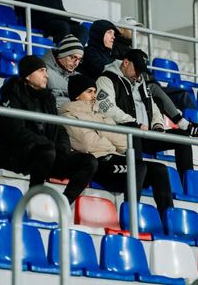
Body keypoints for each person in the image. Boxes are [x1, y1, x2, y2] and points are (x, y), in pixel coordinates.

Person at [61, 74, 174, 218]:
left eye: (95, 91)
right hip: (98, 163)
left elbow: (123, 142)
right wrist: (106, 134)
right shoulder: (68, 116)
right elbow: (87, 144)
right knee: (138, 166)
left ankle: (169, 220)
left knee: (159, 169)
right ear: (77, 95)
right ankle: (131, 218)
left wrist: (100, 132)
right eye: (89, 92)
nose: (94, 95)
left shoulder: (100, 114)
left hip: (113, 160)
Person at [0, 55, 98, 204]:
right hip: (18, 155)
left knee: (89, 161)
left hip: (48, 155)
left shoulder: (48, 98)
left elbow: (58, 127)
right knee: (47, 151)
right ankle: (33, 199)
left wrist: (63, 147)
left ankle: (63, 203)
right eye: (41, 71)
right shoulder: (12, 95)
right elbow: (14, 131)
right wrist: (46, 143)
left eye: (46, 70)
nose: (47, 75)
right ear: (28, 75)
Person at [83, 19, 198, 134]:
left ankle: (169, 125)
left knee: (179, 95)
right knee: (153, 90)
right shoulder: (93, 52)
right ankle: (181, 123)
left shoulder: (112, 53)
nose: (113, 36)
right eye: (109, 32)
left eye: (113, 33)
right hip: (116, 90)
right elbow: (109, 72)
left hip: (131, 86)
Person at [95, 48, 196, 181]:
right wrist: (135, 124)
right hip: (124, 134)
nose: (138, 75)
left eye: (141, 71)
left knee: (182, 137)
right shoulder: (106, 79)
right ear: (126, 63)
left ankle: (189, 183)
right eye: (137, 70)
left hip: (146, 133)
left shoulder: (141, 82)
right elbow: (107, 109)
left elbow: (153, 107)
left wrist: (158, 125)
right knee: (134, 133)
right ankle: (137, 178)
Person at [42, 33, 84, 110]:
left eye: (79, 59)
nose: (76, 63)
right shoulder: (43, 69)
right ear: (62, 54)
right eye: (73, 57)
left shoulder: (77, 76)